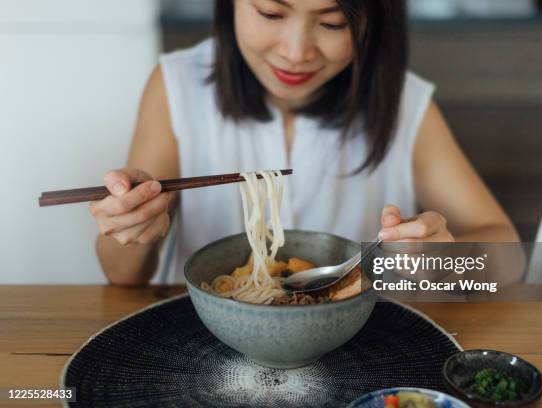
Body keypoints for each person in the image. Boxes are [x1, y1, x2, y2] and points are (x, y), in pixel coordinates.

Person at [90, 0, 519, 286]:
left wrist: (447, 262)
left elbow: (510, 256)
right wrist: (133, 224)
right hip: (204, 340)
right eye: (271, 13)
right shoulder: (177, 86)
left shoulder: (405, 104)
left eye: (332, 23)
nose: (296, 52)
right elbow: (122, 277)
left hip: (361, 345)